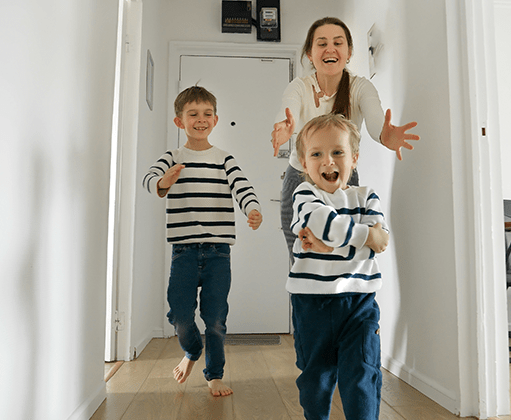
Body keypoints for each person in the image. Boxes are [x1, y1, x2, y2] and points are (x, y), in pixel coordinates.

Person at [142, 86, 263, 397]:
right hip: (183, 251)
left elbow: (243, 187)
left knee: (216, 320)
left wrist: (252, 209)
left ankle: (214, 375)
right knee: (179, 315)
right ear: (179, 121)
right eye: (193, 114)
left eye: (207, 114)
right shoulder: (173, 157)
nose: (201, 119)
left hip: (218, 253)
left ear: (216, 119)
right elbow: (150, 178)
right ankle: (192, 351)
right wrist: (162, 181)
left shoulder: (224, 159)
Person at [271, 17, 418, 263]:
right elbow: (289, 111)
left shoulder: (361, 88)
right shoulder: (298, 87)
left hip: (343, 180)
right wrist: (285, 127)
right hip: (299, 179)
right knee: (303, 255)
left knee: (346, 255)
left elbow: (375, 122)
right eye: (322, 43)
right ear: (310, 53)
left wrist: (385, 134)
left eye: (338, 43)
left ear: (349, 52)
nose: (330, 49)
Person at [288, 113, 389, 420]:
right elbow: (325, 223)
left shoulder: (366, 196)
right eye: (316, 154)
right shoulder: (305, 195)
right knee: (315, 377)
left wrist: (332, 246)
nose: (327, 161)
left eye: (338, 152)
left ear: (354, 158)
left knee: (362, 371)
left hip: (359, 302)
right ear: (305, 164)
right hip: (312, 303)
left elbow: (381, 242)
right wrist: (362, 237)